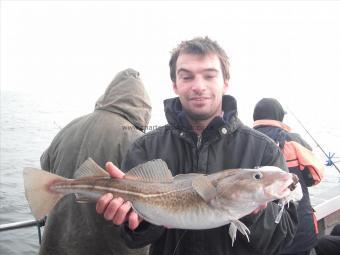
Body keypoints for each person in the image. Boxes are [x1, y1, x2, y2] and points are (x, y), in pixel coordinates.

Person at [96, 37, 298, 255]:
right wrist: (136, 221)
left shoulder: (264, 150)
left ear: (225, 82)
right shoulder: (145, 147)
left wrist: (253, 211)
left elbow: (281, 240)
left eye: (209, 76)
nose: (199, 86)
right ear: (175, 84)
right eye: (187, 76)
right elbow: (133, 239)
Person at [39, 68, 151, 255]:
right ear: (143, 106)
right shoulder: (140, 141)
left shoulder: (69, 127)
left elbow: (46, 166)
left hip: (57, 244)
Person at [253, 98, 324, 255]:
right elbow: (316, 176)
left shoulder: (247, 143)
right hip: (300, 232)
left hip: (263, 237)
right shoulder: (293, 140)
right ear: (279, 116)